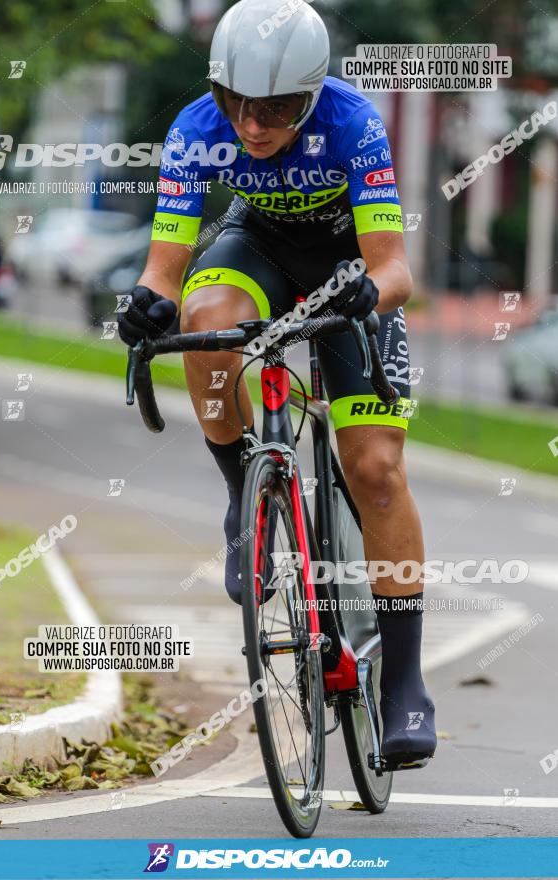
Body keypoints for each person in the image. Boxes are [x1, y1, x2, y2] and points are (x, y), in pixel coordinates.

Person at [118, 0, 436, 767]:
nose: (253, 126)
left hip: (345, 269)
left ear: (313, 91)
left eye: (278, 108)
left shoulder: (354, 121)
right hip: (255, 245)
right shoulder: (197, 127)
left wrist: (367, 295)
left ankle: (405, 685)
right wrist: (146, 304)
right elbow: (164, 268)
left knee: (376, 472)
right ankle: (243, 499)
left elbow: (394, 267)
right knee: (203, 312)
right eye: (237, 105)